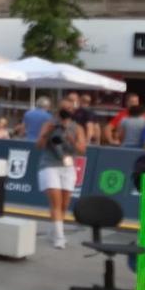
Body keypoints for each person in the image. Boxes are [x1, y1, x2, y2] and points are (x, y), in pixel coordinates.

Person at [35, 96, 87, 249]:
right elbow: (39, 145)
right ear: (58, 110)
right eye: (63, 108)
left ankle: (53, 231)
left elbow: (82, 150)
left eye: (69, 109)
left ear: (73, 111)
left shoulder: (77, 128)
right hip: (49, 165)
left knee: (64, 204)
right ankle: (59, 237)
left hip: (68, 167)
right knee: (56, 202)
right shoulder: (49, 124)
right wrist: (47, 133)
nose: (66, 111)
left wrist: (72, 140)